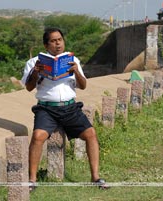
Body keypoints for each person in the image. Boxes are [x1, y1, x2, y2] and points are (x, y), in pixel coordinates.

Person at [21, 27, 108, 191]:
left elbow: (83, 85)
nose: (57, 44)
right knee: (38, 136)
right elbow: (29, 87)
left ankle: (95, 177)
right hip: (47, 109)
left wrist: (76, 71)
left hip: (69, 107)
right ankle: (32, 180)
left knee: (91, 134)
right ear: (46, 45)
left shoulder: (72, 60)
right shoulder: (34, 63)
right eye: (53, 41)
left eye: (59, 40)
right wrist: (36, 73)